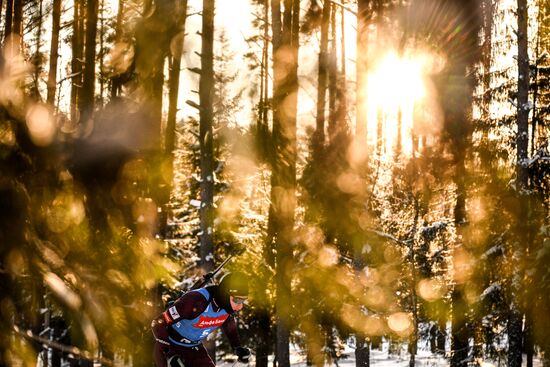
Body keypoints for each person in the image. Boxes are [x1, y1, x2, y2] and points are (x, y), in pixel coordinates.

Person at [152, 272, 251, 367]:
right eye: (237, 300)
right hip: (170, 344)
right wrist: (169, 354)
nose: (240, 307)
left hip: (194, 348)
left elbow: (230, 329)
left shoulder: (227, 309)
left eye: (243, 300)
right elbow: (158, 322)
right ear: (225, 293)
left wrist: (237, 348)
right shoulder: (196, 300)